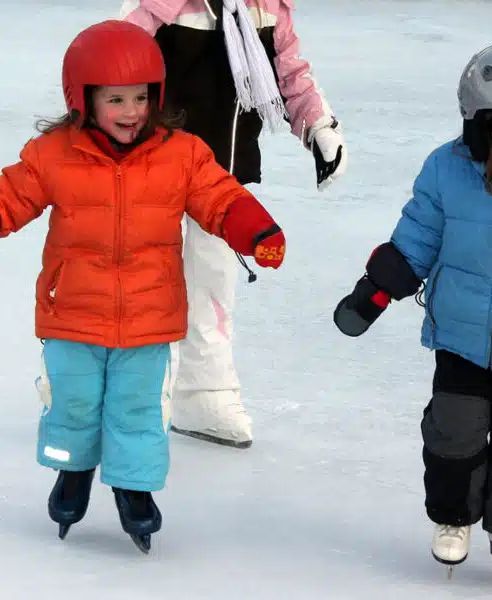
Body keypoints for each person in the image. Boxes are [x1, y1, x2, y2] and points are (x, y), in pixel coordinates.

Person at [0, 20, 286, 553]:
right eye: (115, 100)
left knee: (137, 409)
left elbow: (221, 198)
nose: (131, 112)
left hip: (149, 320)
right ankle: (73, 471)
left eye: (140, 98)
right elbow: (6, 200)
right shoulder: (53, 155)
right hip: (72, 315)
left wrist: (257, 230)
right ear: (82, 100)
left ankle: (133, 488)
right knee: (74, 405)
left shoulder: (183, 154)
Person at [333, 41, 492, 583]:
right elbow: (416, 239)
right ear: (480, 128)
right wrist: (373, 293)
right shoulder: (446, 170)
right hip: (460, 337)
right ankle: (453, 518)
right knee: (454, 434)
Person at [119, 0, 347, 448]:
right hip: (152, 173)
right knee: (140, 279)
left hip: (221, 176)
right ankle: (110, 389)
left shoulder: (263, 7)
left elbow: (289, 70)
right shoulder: (157, 6)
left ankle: (204, 392)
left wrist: (319, 126)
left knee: (214, 283)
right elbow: (109, 66)